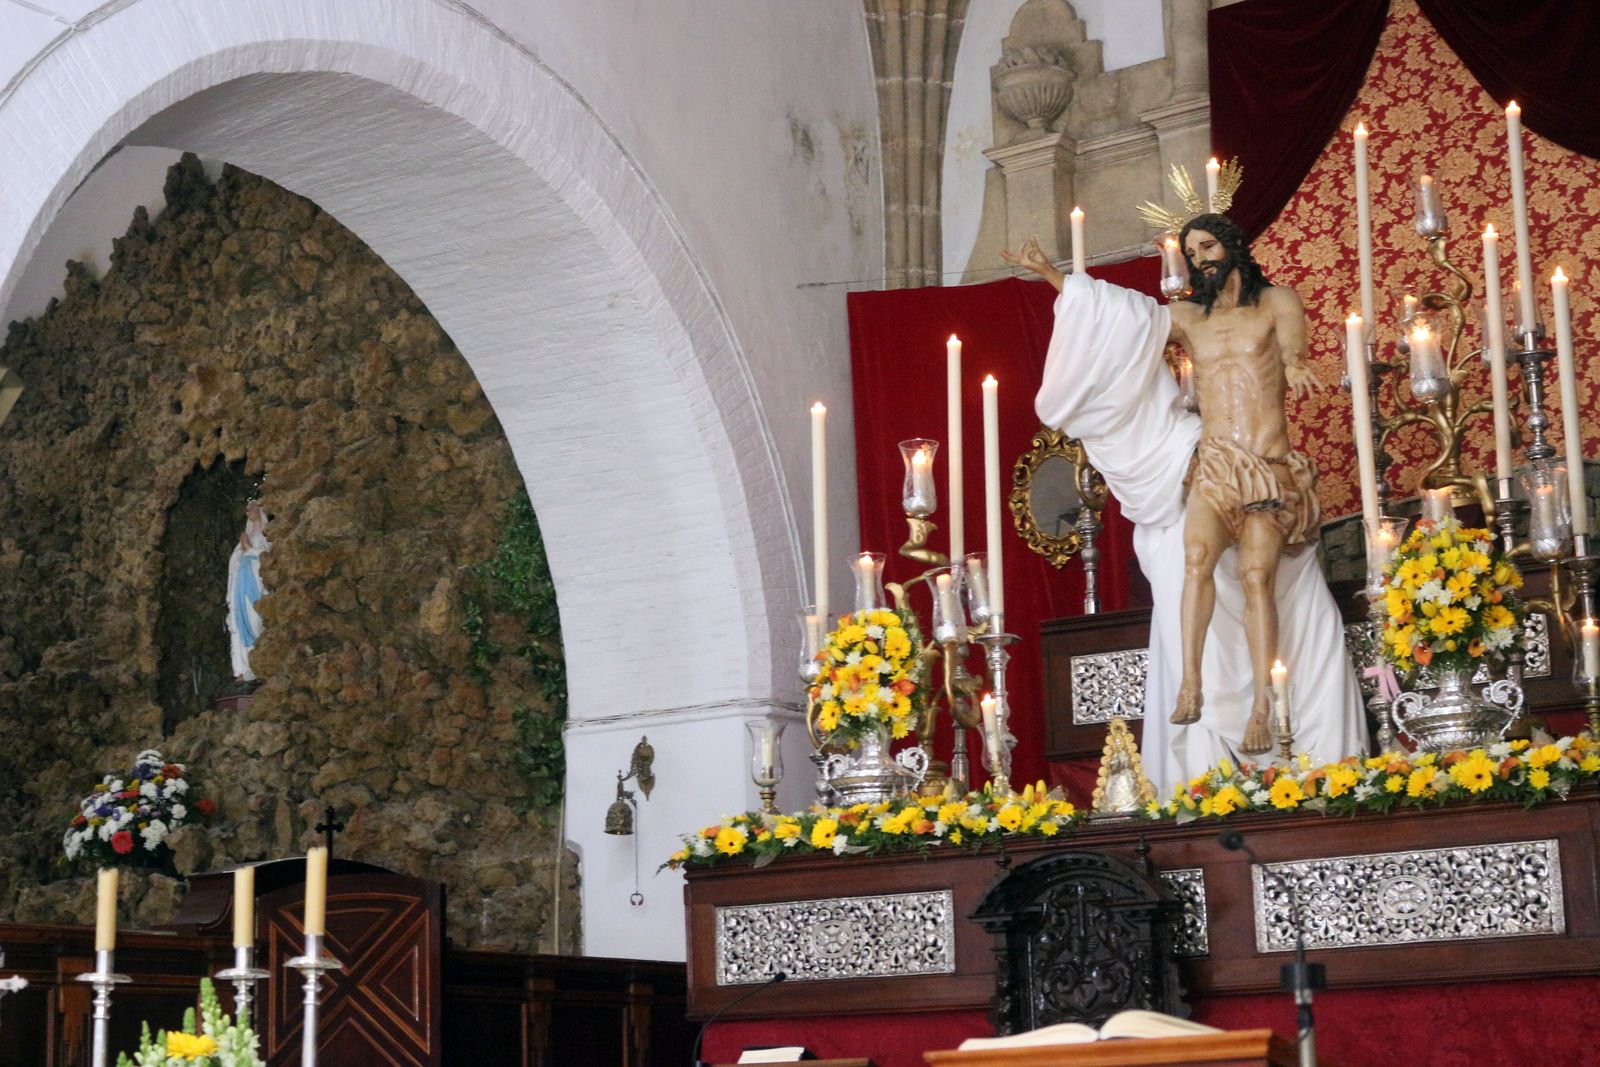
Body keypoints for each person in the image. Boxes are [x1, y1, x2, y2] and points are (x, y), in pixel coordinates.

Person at [1004, 220, 1366, 787]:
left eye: (1209, 247)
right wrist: (1056, 277)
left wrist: (1295, 364)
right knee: (1195, 561)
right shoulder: (1189, 319)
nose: (1201, 261)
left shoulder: (1274, 301)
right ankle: (1191, 684)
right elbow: (1121, 321)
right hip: (1217, 465)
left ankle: (1262, 709)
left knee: (1254, 579)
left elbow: (1293, 345)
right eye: (1192, 253)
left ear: (1234, 246)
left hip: (1268, 468)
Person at [226, 499, 269, 682]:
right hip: (240, 585)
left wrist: (249, 549)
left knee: (255, 619)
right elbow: (234, 561)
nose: (248, 512)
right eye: (247, 509)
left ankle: (259, 666)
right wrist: (242, 548)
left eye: (251, 508)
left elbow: (268, 557)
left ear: (260, 509)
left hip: (257, 582)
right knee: (239, 622)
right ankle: (243, 669)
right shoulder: (246, 534)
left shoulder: (267, 534)